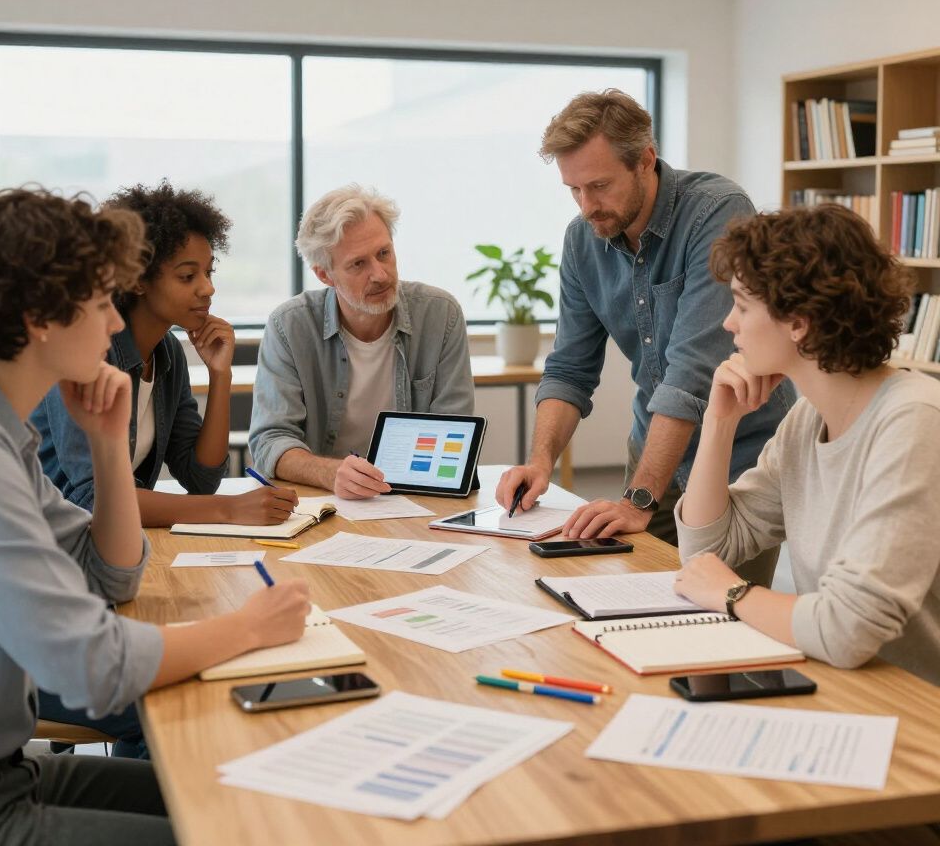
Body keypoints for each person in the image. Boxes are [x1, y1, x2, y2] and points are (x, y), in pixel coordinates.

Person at [0, 188, 310, 845]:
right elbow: (91, 666)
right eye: (102, 302)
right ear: (42, 314)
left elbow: (111, 578)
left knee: (238, 797)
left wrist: (107, 440)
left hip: (1, 777)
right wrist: (247, 628)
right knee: (239, 830)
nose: (114, 324)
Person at [30, 181, 298, 757]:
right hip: (73, 575)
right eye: (186, 275)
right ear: (136, 280)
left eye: (208, 271)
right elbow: (92, 499)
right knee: (190, 689)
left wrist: (222, 375)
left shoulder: (169, 353)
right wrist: (228, 510)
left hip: (108, 568)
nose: (207, 288)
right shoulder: (85, 358)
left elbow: (198, 475)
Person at [496, 90, 793, 584]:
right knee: (626, 597)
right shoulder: (581, 238)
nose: (586, 206)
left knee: (724, 624)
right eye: (573, 189)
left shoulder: (717, 211)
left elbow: (691, 373)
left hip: (739, 457)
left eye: (599, 185)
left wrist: (638, 498)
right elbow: (569, 367)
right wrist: (540, 463)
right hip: (653, 446)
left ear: (645, 161)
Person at [674, 204, 940, 686]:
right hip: (848, 690)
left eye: (742, 305)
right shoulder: (806, 418)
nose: (728, 325)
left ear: (798, 322)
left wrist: (732, 595)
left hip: (918, 711)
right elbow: (706, 551)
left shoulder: (914, 422)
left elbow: (848, 629)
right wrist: (719, 422)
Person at [250, 184, 475, 500]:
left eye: (384, 253)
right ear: (325, 275)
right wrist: (331, 473)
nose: (380, 275)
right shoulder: (290, 326)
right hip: (323, 500)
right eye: (358, 264)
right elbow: (270, 440)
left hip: (415, 500)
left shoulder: (440, 315)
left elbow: (457, 432)